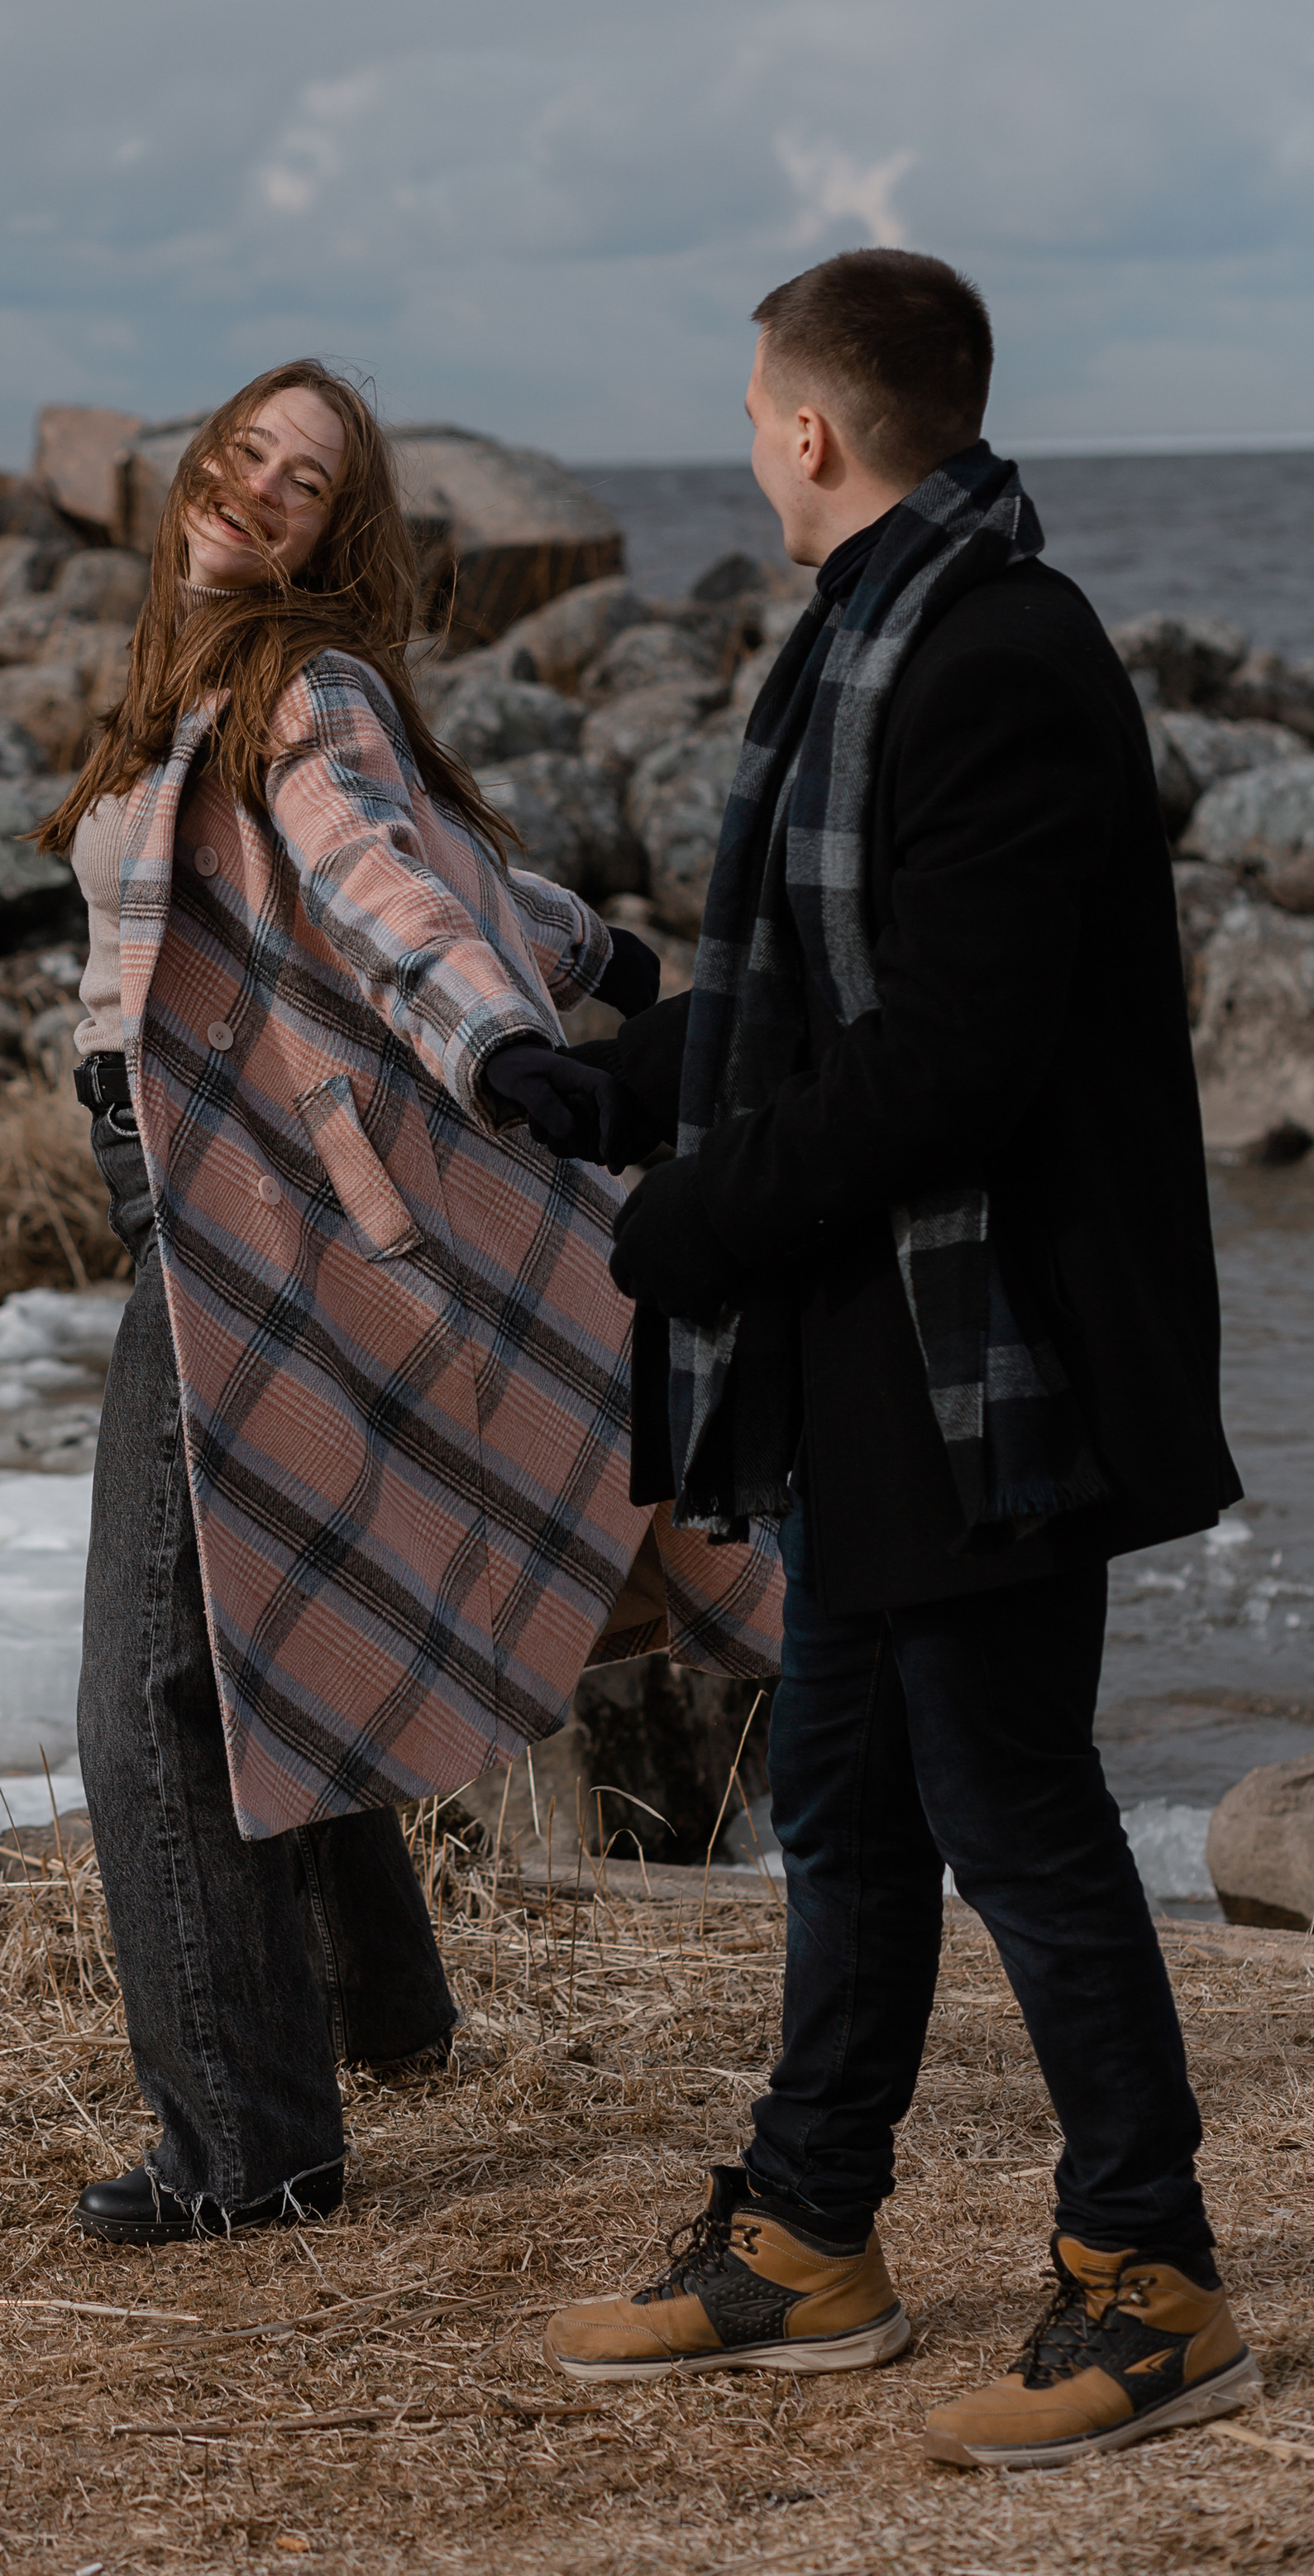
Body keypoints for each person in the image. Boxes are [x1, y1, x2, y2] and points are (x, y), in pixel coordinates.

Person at [537, 250, 1259, 2468]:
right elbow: (830, 1003)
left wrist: (687, 1220)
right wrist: (608, 1087)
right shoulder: (887, 630)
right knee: (849, 1800)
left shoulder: (995, 657)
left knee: (1018, 1811)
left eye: (758, 408)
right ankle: (811, 2240)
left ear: (814, 428)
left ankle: (1155, 2279)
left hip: (991, 1354)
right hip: (882, 1357)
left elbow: (945, 1060)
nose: (753, 440)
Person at [36, 359, 779, 2247]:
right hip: (205, 1219)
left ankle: (243, 2147)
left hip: (257, 1229)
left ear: (333, 534)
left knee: (147, 1696)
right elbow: (435, 862)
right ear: (193, 461)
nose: (259, 487)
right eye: (244, 451)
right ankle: (384, 2007)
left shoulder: (296, 678)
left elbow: (375, 879)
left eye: (305, 480)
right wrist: (589, 946)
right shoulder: (194, 675)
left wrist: (500, 1047)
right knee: (266, 1598)